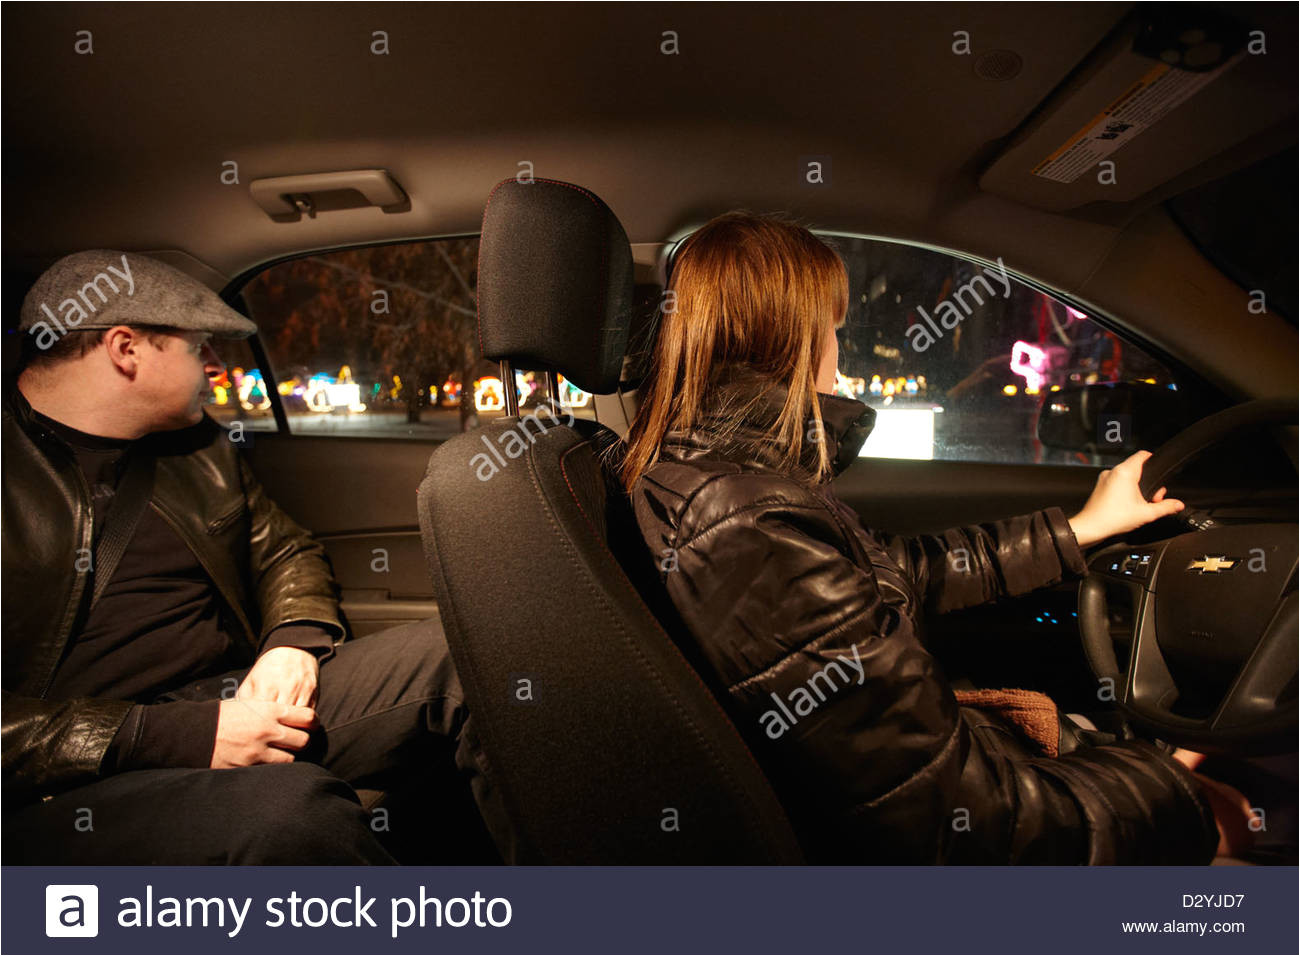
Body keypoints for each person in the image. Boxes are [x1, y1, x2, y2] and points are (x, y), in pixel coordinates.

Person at [621, 212, 1254, 864]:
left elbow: (897, 572)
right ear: (795, 338)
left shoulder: (725, 487)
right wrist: (1182, 799)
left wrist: (1080, 528)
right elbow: (970, 828)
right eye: (834, 332)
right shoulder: (747, 522)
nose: (840, 359)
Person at [2, 250, 473, 864]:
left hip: (229, 696)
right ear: (126, 350)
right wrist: (181, 735)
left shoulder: (199, 448)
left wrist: (291, 643)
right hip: (72, 773)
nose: (214, 364)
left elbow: (285, 550)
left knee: (470, 655)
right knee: (291, 813)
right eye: (198, 345)